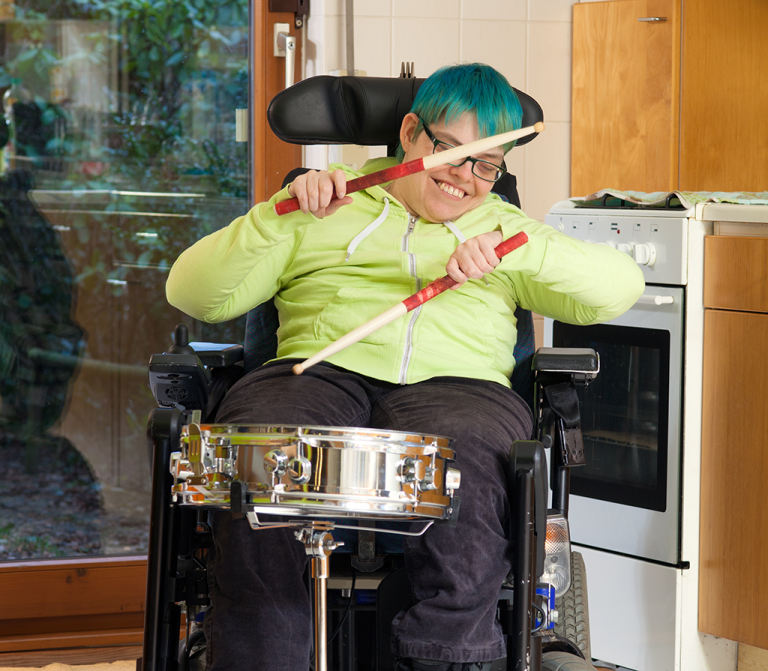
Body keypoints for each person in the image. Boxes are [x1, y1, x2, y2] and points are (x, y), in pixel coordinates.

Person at [166, 63, 644, 671]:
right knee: (259, 446)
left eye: (487, 164)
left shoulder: (504, 227)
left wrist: (513, 249)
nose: (466, 178)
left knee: (474, 458)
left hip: (459, 387)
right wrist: (278, 213)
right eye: (451, 150)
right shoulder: (322, 203)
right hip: (316, 375)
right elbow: (193, 292)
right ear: (412, 133)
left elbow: (618, 288)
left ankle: (445, 661)